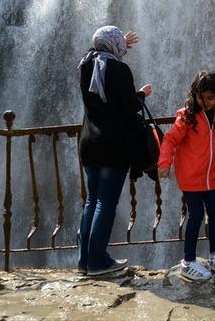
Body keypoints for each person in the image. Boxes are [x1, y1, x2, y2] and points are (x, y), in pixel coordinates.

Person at [78, 26, 154, 276]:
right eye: (119, 43)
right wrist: (142, 93)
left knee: (92, 200)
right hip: (113, 147)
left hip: (89, 143)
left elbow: (105, 70)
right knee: (105, 203)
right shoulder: (119, 69)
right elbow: (130, 104)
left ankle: (84, 260)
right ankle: (98, 261)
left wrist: (121, 45)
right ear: (114, 46)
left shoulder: (86, 65)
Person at [158, 70, 215, 281]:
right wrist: (164, 163)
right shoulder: (187, 117)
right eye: (208, 98)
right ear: (197, 95)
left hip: (211, 177)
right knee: (196, 216)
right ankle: (188, 261)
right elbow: (170, 140)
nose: (212, 102)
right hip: (191, 177)